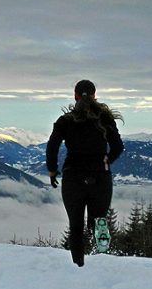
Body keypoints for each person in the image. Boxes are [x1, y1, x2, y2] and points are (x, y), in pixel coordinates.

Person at [46, 80, 124, 267]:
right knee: (99, 221)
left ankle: (78, 265)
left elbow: (52, 147)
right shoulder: (105, 119)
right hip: (100, 175)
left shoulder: (65, 120)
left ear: (75, 96)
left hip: (73, 175)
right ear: (95, 95)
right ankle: (101, 260)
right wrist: (108, 159)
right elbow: (118, 146)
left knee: (76, 226)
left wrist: (52, 170)